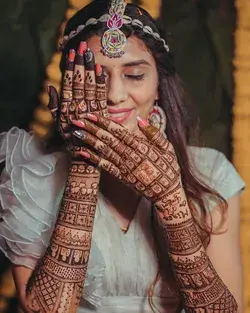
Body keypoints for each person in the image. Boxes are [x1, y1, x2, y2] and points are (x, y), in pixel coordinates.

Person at [0, 0, 245, 312]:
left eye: (134, 75)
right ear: (72, 85)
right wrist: (85, 165)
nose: (115, 95)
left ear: (159, 85)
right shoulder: (32, 177)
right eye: (96, 76)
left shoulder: (211, 173)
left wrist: (171, 199)